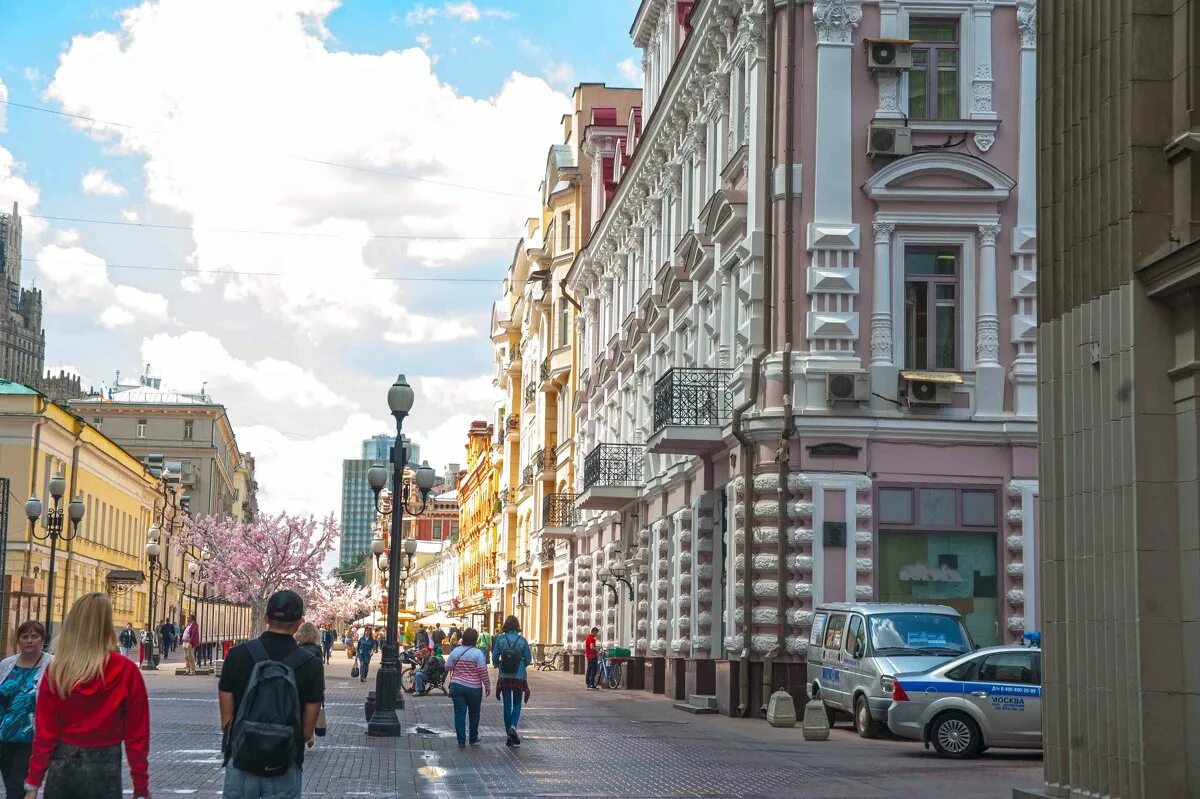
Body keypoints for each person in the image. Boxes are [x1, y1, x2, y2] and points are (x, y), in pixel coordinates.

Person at [24, 593, 149, 799]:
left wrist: (33, 782)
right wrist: (140, 784)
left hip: (62, 767)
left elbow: (45, 733)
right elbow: (137, 735)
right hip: (105, 767)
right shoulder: (125, 670)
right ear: (106, 625)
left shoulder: (57, 671)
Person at [218, 590, 322, 798]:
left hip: (242, 760)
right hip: (285, 763)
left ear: (266, 616)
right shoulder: (311, 664)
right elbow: (307, 731)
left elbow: (226, 721)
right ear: (300, 622)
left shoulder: (238, 655)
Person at [0, 621, 51, 799]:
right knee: (10, 784)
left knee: (16, 788)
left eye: (34, 636)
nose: (29, 640)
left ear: (42, 640)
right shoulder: (6, 665)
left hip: (31, 738)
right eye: (25, 636)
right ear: (18, 640)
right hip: (4, 737)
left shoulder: (51, 665)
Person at [491, 615, 532, 747]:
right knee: (517, 704)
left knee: (507, 705)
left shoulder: (500, 639)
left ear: (506, 626)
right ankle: (513, 728)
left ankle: (508, 734)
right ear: (517, 626)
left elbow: (495, 657)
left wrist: (499, 665)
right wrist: (521, 666)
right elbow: (528, 658)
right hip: (519, 675)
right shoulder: (522, 640)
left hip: (505, 675)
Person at [444, 629, 489, 748]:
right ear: (475, 640)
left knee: (459, 713)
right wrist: (487, 685)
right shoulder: (478, 653)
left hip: (457, 686)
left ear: (463, 638)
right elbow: (482, 671)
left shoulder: (456, 651)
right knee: (474, 713)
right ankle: (473, 737)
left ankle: (461, 740)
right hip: (474, 688)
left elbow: (447, 666)